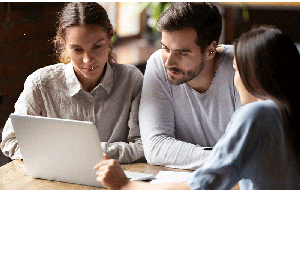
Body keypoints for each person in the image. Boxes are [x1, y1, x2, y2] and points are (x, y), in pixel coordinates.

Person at [94, 25, 300, 190]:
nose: (235, 81)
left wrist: (125, 184)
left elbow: (203, 185)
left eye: (236, 70)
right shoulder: (285, 113)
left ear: (254, 76)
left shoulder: (257, 114)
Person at [1, 2, 144, 163]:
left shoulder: (131, 79)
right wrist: (73, 154)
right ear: (64, 44)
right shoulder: (40, 83)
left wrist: (82, 151)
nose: (88, 60)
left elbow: (143, 146)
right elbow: (10, 141)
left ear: (110, 37)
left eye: (97, 46)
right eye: (77, 49)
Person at [138, 2, 242, 170]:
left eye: (182, 53)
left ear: (210, 51)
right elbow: (155, 146)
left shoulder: (241, 66)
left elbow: (248, 153)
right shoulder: (158, 63)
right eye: (165, 48)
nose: (169, 62)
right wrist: (225, 159)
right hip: (185, 177)